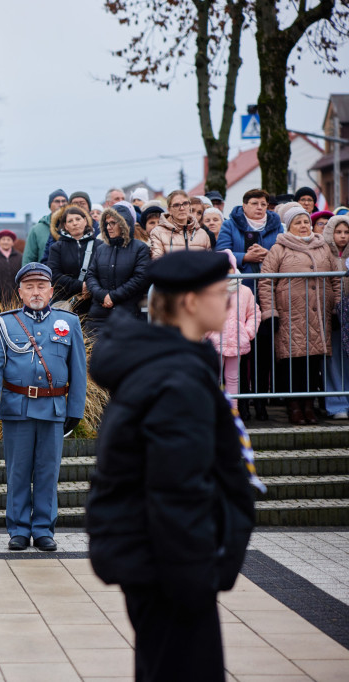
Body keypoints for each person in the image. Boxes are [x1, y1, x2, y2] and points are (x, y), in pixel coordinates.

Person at [86, 250, 257, 682]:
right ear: (191, 302)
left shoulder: (165, 366)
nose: (230, 303)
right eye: (222, 294)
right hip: (172, 569)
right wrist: (193, 577)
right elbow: (176, 488)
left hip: (160, 563)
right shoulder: (174, 378)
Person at [0, 263, 87, 552]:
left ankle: (43, 530)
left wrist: (75, 408)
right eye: (29, 287)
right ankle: (18, 529)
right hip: (18, 407)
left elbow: (78, 369)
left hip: (53, 408)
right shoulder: (5, 323)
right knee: (18, 471)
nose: (36, 292)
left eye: (41, 286)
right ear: (20, 292)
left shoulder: (69, 322)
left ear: (51, 291)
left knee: (48, 471)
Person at [258, 206, 341, 425]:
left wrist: (337, 309)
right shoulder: (279, 249)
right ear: (289, 226)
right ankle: (294, 407)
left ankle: (308, 406)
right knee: (293, 364)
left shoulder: (323, 247)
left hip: (320, 315)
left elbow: (336, 281)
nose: (303, 226)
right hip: (290, 316)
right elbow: (266, 282)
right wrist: (270, 312)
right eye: (298, 222)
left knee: (314, 364)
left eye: (306, 221)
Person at [217, 188, 284, 420]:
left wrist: (269, 253)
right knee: (241, 356)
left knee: (263, 352)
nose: (259, 207)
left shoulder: (277, 225)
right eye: (254, 203)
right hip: (239, 294)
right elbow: (221, 252)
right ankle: (242, 404)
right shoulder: (230, 224)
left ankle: (261, 403)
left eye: (263, 204)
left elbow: (283, 250)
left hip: (268, 295)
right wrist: (245, 257)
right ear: (244, 205)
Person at [205, 251, 261, 421]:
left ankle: (233, 409)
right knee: (214, 375)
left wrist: (248, 331)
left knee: (233, 377)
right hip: (215, 340)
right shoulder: (210, 290)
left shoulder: (244, 291)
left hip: (236, 339)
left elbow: (254, 313)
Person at [85, 206, 151, 339]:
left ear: (124, 223)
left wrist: (113, 296)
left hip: (129, 316)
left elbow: (140, 279)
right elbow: (91, 275)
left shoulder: (140, 248)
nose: (109, 227)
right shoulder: (101, 248)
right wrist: (103, 295)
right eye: (107, 223)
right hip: (99, 317)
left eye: (113, 223)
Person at [45, 205, 99, 316]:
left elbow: (103, 272)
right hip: (66, 304)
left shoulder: (99, 246)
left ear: (85, 221)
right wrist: (80, 286)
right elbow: (54, 275)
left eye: (78, 219)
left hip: (93, 303)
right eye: (70, 221)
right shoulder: (57, 248)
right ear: (65, 226)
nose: (75, 223)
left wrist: (90, 286)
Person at [322, 215, 349, 419]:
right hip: (330, 313)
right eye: (338, 232)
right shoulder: (323, 253)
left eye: (346, 232)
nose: (342, 236)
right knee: (333, 360)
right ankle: (336, 404)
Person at [149, 190, 212, 258]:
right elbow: (157, 262)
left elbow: (209, 263)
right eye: (176, 205)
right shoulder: (158, 233)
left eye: (185, 204)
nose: (182, 208)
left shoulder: (203, 234)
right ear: (169, 210)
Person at [22, 189, 68, 265]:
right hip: (44, 274)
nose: (60, 204)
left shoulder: (74, 227)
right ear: (50, 205)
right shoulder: (37, 229)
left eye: (64, 201)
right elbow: (28, 259)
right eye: (57, 201)